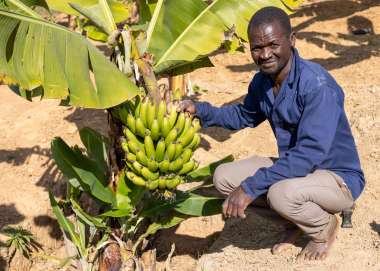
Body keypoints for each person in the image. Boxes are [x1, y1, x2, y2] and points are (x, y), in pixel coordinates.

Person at [178, 6, 365, 261]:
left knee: (279, 194)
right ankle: (295, 221)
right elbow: (243, 116)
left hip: (336, 178)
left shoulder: (316, 85)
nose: (265, 54)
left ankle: (323, 228)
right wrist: (200, 110)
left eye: (273, 45)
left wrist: (251, 187)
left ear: (292, 40)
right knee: (224, 178)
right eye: (257, 47)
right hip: (299, 170)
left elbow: (308, 154)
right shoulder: (263, 82)